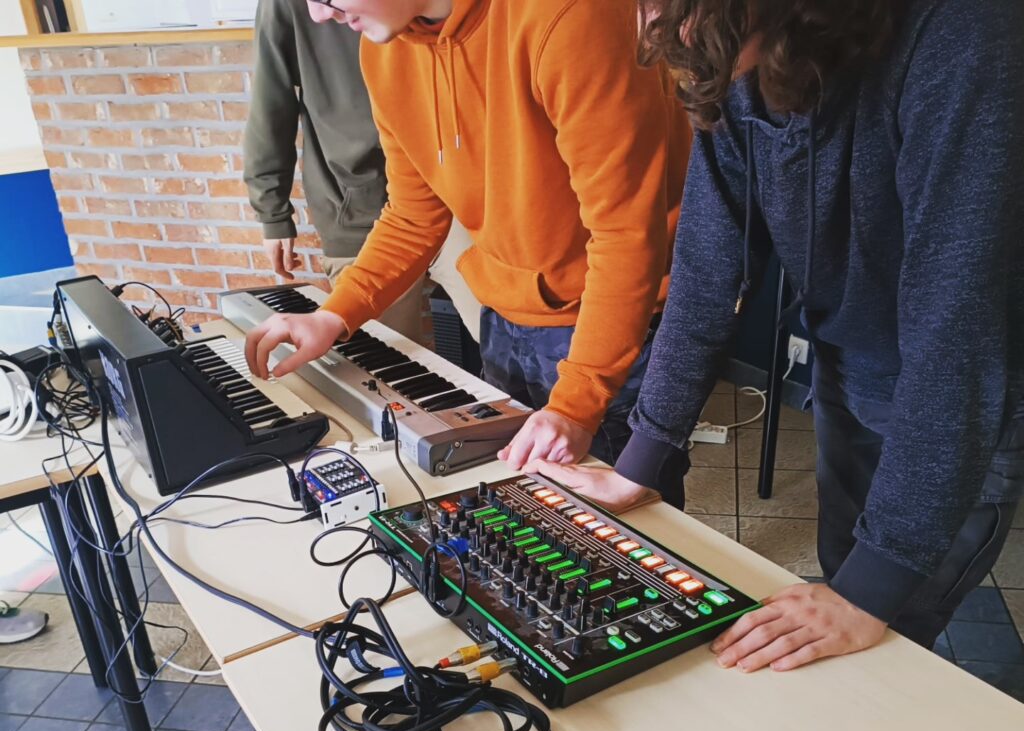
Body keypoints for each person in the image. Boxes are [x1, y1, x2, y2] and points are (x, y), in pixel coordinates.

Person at [534, 0, 1024, 671]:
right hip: (848, 368)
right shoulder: (736, 52)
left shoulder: (967, 32)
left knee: (893, 629)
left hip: (967, 399)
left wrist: (869, 590)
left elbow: (957, 332)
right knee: (839, 585)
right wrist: (640, 462)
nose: (655, 29)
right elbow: (706, 271)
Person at [245, 0, 691, 492]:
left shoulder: (570, 17)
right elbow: (413, 215)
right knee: (526, 510)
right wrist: (332, 316)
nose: (318, 16)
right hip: (506, 318)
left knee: (632, 527)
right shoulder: (384, 52)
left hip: (609, 321)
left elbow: (625, 236)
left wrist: (576, 403)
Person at [244, 0, 480, 341]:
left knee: (506, 334)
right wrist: (272, 213)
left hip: (454, 197)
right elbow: (271, 105)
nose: (320, 15)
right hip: (357, 208)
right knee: (387, 360)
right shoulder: (305, 15)